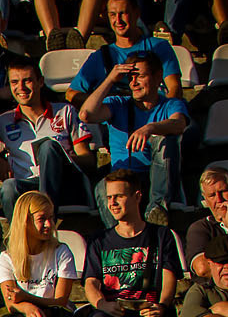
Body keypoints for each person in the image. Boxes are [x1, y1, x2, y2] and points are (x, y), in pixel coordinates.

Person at [83, 170, 181, 317]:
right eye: (109, 197)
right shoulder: (99, 240)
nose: (112, 203)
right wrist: (103, 304)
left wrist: (161, 305)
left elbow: (169, 277)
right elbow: (91, 283)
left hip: (149, 311)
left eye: (119, 196)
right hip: (114, 312)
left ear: (137, 196)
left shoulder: (161, 235)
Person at [77, 54, 185, 222]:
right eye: (130, 77)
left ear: (158, 77)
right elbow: (86, 115)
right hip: (122, 178)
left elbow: (179, 124)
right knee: (102, 188)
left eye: (140, 76)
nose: (133, 83)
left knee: (165, 138)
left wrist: (150, 128)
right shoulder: (118, 103)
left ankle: (156, 208)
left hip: (153, 176)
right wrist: (110, 80)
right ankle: (117, 237)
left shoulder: (170, 105)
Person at [0, 58, 93, 220]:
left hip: (64, 183)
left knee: (48, 147)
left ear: (40, 82)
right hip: (28, 186)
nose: (21, 87)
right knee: (8, 186)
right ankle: (16, 239)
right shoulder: (3, 122)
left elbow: (89, 160)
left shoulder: (65, 112)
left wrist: (60, 158)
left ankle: (44, 215)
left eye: (27, 81)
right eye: (15, 82)